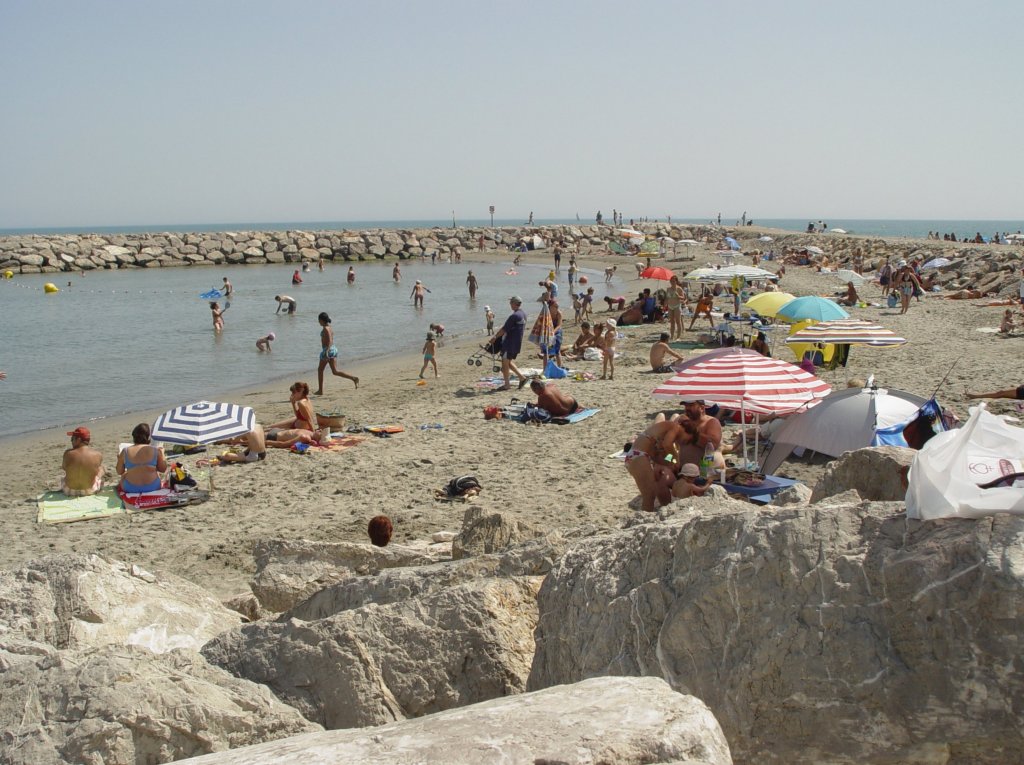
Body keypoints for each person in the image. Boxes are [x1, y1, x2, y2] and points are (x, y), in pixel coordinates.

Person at [624, 418, 684, 512]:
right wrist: (676, 459)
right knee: (649, 495)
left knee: (653, 490)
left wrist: (670, 462)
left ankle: (661, 511)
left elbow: (661, 455)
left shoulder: (662, 433)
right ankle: (644, 520)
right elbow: (667, 445)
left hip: (637, 456)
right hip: (639, 456)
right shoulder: (675, 427)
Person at [315, 313, 359, 394]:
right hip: (333, 349)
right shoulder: (329, 327)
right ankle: (353, 378)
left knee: (320, 370)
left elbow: (329, 341)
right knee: (335, 371)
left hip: (328, 350)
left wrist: (327, 352)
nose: (318, 322)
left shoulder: (325, 328)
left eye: (319, 320)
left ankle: (320, 390)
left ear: (321, 320)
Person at [117, 423, 167, 494]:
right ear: (148, 437)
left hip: (130, 488)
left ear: (134, 436)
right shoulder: (155, 450)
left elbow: (119, 471)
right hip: (153, 487)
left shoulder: (125, 451)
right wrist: (162, 454)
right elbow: (163, 469)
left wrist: (119, 459)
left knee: (124, 475)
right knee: (156, 472)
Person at [492, 296, 528, 391]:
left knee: (505, 364)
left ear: (514, 303)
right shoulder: (523, 314)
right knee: (508, 361)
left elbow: (504, 329)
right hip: (516, 342)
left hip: (510, 343)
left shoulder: (514, 316)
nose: (510, 304)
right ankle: (522, 378)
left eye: (511, 302)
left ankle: (507, 385)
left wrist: (495, 337)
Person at [61, 426, 104, 496]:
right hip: (90, 490)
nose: (71, 441)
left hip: (69, 491)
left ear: (78, 440)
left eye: (72, 439)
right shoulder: (98, 455)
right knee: (101, 468)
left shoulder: (68, 453)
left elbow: (64, 468)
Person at [664, 275, 686, 340]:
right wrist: (665, 304)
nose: (672, 282)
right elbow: (667, 297)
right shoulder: (668, 289)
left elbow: (683, 297)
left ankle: (678, 337)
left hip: (677, 306)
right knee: (672, 322)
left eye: (674, 281)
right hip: (670, 306)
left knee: (678, 321)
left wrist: (678, 296)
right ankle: (672, 336)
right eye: (671, 281)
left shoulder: (679, 288)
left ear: (676, 281)